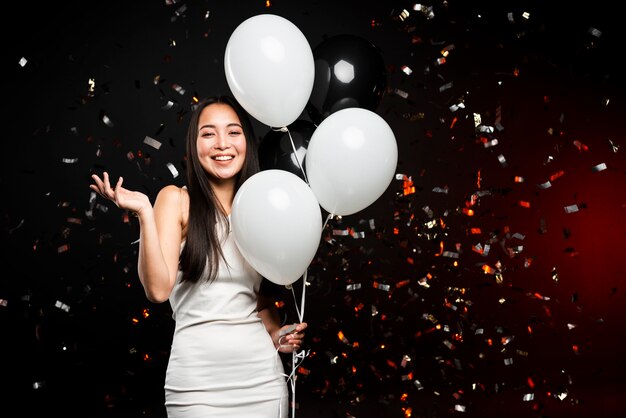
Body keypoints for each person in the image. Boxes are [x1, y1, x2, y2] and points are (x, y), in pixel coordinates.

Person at [90, 95, 307, 417]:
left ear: (247, 142)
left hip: (262, 379)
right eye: (209, 134)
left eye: (233, 133)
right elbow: (158, 290)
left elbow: (254, 298)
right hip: (196, 383)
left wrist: (277, 334)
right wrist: (144, 213)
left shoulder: (263, 207)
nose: (222, 144)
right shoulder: (175, 199)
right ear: (194, 146)